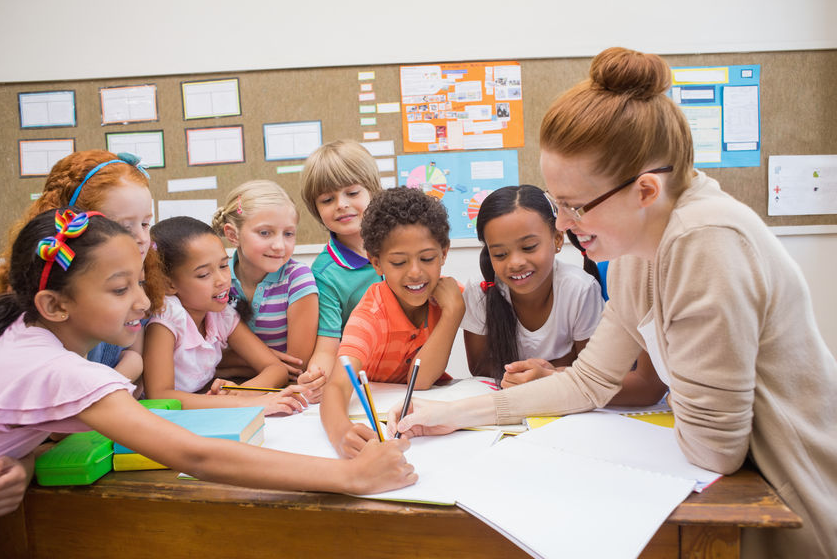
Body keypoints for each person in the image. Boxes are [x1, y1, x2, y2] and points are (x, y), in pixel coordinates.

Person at [389, 47, 837, 557]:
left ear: (645, 190)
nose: (561, 224)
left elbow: (716, 448)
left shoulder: (706, 242)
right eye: (557, 205)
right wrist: (466, 412)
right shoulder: (636, 244)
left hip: (791, 500)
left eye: (575, 207)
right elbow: (591, 380)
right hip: (732, 490)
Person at [0, 208, 415, 505]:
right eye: (120, 289)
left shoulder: (26, 339)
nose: (145, 303)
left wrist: (25, 461)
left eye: (142, 283)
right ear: (54, 305)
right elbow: (195, 454)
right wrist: (350, 476)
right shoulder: (58, 368)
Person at [0, 150, 166, 385]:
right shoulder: (43, 315)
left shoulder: (140, 275)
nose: (141, 238)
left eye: (146, 223)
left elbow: (134, 354)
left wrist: (132, 364)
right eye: (123, 227)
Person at [321, 187, 463, 458]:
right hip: (385, 428)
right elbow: (337, 385)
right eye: (398, 262)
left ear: (444, 253)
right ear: (377, 263)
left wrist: (453, 310)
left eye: (427, 258)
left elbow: (419, 383)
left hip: (429, 429)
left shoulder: (451, 298)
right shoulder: (371, 315)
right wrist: (340, 431)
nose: (415, 272)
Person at [142, 216, 310, 412]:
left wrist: (244, 392)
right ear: (169, 284)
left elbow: (276, 368)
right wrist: (245, 403)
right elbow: (160, 396)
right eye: (204, 274)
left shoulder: (221, 314)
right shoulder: (167, 318)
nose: (222, 280)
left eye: (223, 266)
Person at [462, 185, 604, 388]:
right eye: (500, 254)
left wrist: (547, 374)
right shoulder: (480, 290)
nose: (515, 263)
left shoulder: (580, 288)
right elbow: (479, 368)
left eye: (528, 247)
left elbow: (592, 368)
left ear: (557, 239)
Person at [212, 180, 323, 399]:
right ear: (233, 235)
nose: (280, 245)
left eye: (288, 234)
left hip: (280, 394)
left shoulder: (298, 280)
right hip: (219, 389)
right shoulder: (217, 280)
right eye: (265, 233)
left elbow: (295, 367)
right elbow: (207, 359)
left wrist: (233, 362)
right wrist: (268, 360)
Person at [299, 140, 383, 390]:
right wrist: (317, 377)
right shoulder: (324, 274)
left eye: (352, 193)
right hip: (365, 381)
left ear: (373, 191)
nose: (341, 204)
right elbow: (328, 345)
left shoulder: (400, 247)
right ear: (316, 210)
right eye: (327, 199)